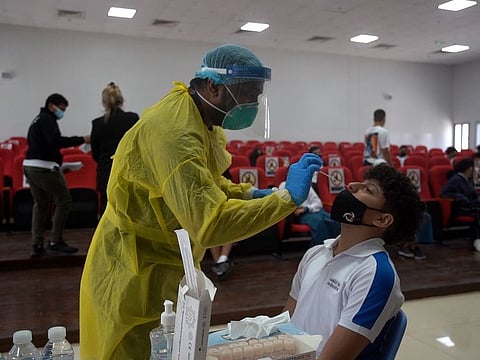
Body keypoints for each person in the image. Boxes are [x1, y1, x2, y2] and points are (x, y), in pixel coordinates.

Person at [79, 44, 322, 359]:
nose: (252, 104)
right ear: (214, 86)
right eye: (248, 93)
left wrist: (250, 193)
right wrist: (285, 200)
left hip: (165, 259)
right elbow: (210, 224)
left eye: (257, 96)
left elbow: (207, 181)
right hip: (131, 269)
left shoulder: (201, 116)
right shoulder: (175, 132)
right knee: (129, 348)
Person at [284, 164, 423, 359]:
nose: (351, 186)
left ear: (382, 220)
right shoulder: (315, 253)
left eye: (368, 189)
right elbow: (286, 324)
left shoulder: (375, 273)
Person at [23, 93, 90, 257]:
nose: (62, 113)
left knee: (41, 204)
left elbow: (44, 145)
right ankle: (56, 241)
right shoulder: (47, 119)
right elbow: (55, 141)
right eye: (61, 109)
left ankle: (37, 244)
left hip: (30, 166)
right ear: (52, 106)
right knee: (64, 201)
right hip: (44, 168)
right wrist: (82, 139)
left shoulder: (37, 119)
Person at [90, 82, 139, 215]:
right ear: (121, 100)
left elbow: (95, 153)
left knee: (108, 210)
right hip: (128, 171)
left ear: (104, 102)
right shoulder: (132, 118)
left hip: (106, 171)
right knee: (131, 210)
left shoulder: (97, 123)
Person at [279, 180, 340, 247]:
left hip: (313, 210)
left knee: (333, 220)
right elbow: (282, 203)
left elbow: (318, 203)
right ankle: (320, 249)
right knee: (320, 223)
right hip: (299, 215)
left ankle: (336, 247)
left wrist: (307, 208)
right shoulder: (284, 185)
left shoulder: (306, 185)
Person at [440, 157, 480, 251]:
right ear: (468, 168)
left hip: (471, 205)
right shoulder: (456, 179)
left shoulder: (468, 180)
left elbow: (473, 194)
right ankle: (477, 240)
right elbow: (443, 193)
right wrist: (461, 197)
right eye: (472, 168)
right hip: (461, 208)